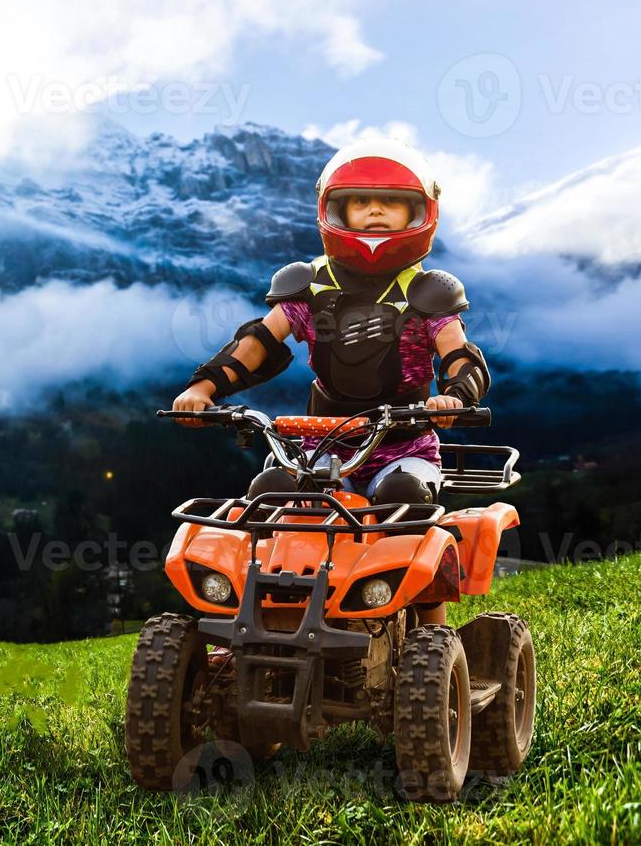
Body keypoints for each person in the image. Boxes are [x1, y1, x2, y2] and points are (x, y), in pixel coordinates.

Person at [171, 137, 492, 626]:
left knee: (406, 506)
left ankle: (435, 638)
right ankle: (247, 630)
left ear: (420, 213)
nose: (375, 212)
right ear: (334, 212)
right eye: (360, 202)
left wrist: (454, 395)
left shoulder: (429, 292)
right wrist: (204, 387)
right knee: (268, 495)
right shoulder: (309, 285)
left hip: (403, 444)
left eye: (391, 203)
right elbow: (259, 341)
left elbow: (461, 356)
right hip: (319, 443)